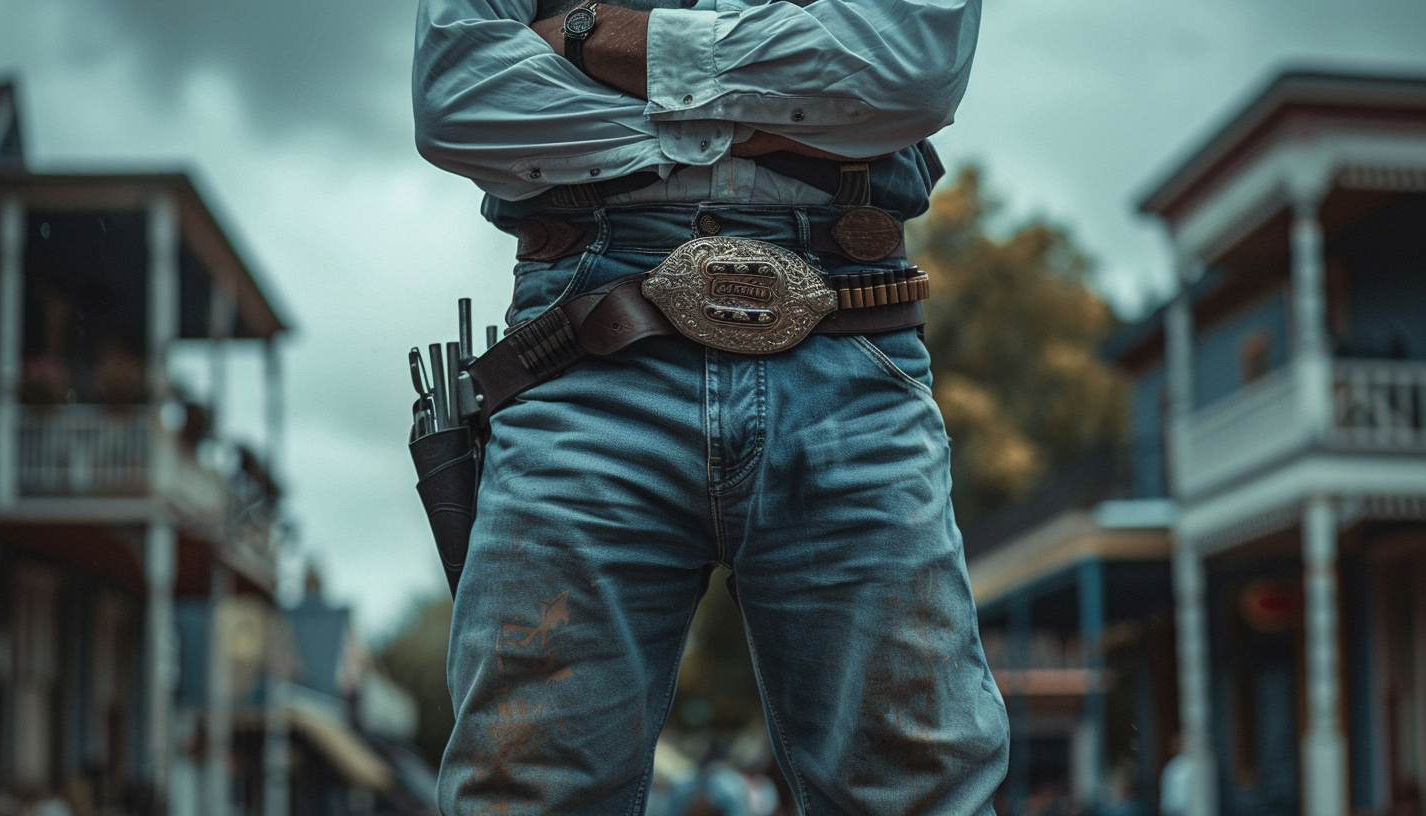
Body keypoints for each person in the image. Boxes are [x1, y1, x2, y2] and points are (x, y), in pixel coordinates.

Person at [411, 0, 1010, 810]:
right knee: (523, 790)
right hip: (589, 343)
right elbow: (460, 98)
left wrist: (589, 42)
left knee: (920, 786)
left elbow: (912, 69)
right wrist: (783, 120)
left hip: (838, 322)